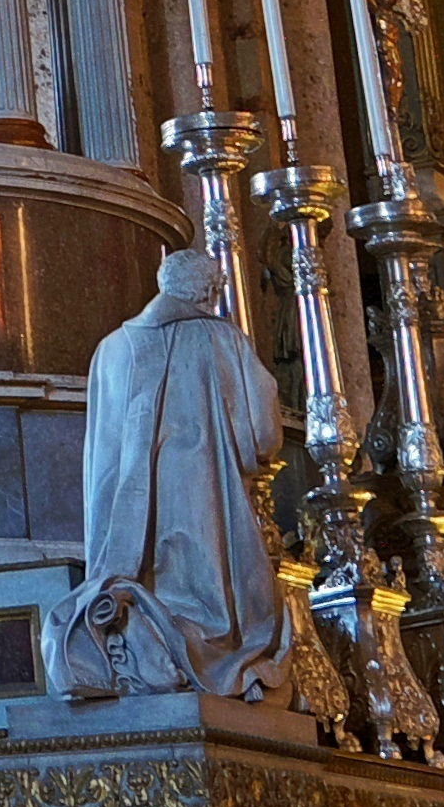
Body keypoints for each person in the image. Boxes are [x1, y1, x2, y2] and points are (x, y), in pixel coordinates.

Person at [42, 244, 289, 706]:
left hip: (118, 512)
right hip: (203, 502)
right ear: (209, 291)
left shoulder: (111, 348)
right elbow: (263, 433)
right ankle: (206, 657)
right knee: (213, 592)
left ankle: (134, 644)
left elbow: (99, 449)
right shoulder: (223, 340)